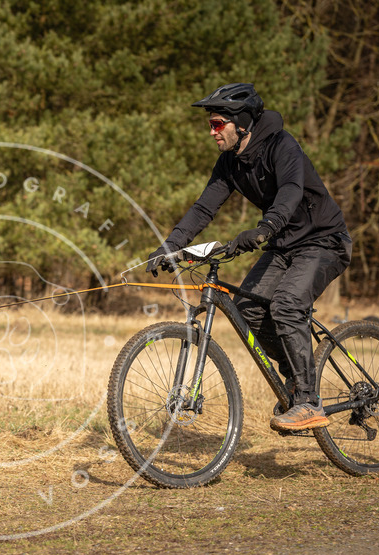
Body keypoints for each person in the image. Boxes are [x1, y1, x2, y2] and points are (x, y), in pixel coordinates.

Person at [146, 83, 352, 432]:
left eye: (216, 124)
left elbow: (290, 191)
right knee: (247, 309)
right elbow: (203, 208)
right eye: (209, 125)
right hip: (283, 244)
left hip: (323, 241)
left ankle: (308, 401)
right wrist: (171, 245)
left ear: (241, 123)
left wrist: (265, 227)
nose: (211, 132)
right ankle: (298, 379)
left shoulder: (282, 145)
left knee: (286, 305)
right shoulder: (230, 162)